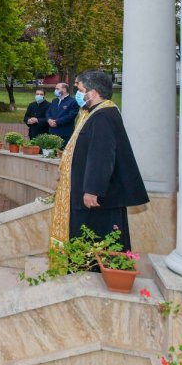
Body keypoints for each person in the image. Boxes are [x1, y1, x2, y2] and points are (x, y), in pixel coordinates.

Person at [49, 70, 148, 249]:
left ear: (93, 93)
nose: (78, 94)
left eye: (80, 90)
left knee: (94, 242)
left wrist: (92, 190)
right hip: (84, 192)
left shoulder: (103, 116)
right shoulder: (93, 113)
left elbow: (102, 155)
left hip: (95, 199)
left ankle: (92, 268)